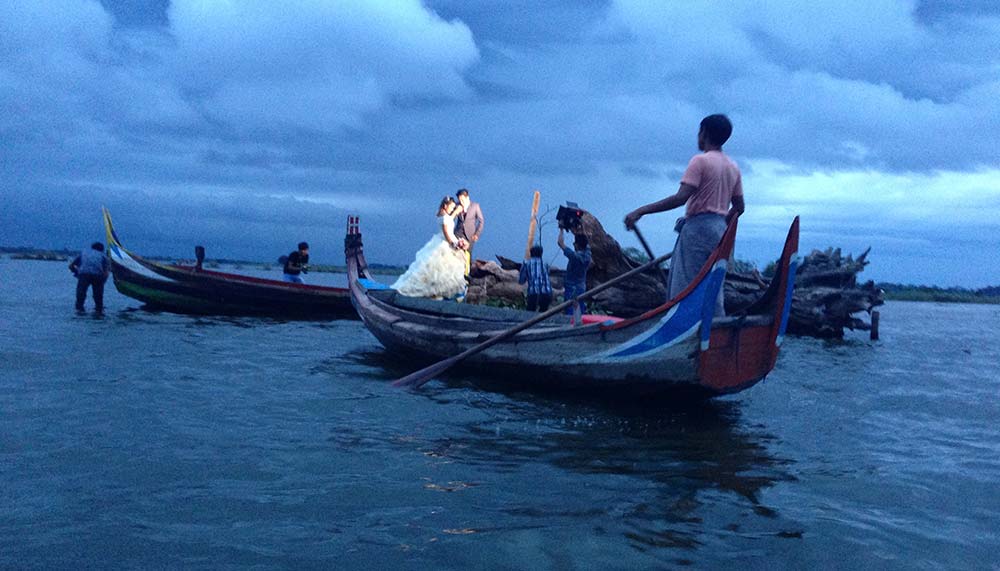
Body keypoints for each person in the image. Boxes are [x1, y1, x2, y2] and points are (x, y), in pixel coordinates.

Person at [624, 114, 745, 316]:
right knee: (713, 284)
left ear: (704, 132)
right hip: (721, 232)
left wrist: (641, 211)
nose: (698, 137)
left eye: (699, 132)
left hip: (698, 230)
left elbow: (681, 198)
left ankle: (685, 331)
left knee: (686, 284)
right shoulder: (733, 167)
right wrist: (721, 223)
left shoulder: (700, 161)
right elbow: (739, 207)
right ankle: (715, 328)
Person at [391, 196, 468, 299]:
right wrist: (455, 245)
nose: (452, 209)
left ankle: (440, 294)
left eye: (453, 208)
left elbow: (450, 221)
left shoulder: (445, 216)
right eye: (451, 207)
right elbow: (447, 234)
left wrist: (458, 242)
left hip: (446, 241)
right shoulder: (444, 218)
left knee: (445, 272)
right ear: (445, 206)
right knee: (438, 270)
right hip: (444, 244)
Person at [559, 229, 592, 322]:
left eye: (574, 243)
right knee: (580, 311)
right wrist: (580, 230)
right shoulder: (587, 255)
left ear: (577, 245)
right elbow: (587, 245)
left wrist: (561, 229)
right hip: (581, 287)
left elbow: (560, 243)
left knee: (571, 312)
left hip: (571, 288)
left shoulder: (574, 256)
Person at [69, 242, 110, 312]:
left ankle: (79, 310)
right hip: (97, 275)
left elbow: (71, 266)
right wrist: (103, 281)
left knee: (80, 295)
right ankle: (99, 310)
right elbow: (106, 271)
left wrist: (77, 272)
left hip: (84, 275)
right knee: (98, 296)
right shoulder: (103, 256)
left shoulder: (83, 253)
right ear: (102, 249)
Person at [453, 188, 485, 276]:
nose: (461, 202)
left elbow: (481, 221)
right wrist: (456, 211)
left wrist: (477, 234)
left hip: (470, 235)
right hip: (458, 233)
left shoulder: (475, 206)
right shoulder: (457, 205)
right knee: (456, 254)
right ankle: (456, 275)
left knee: (468, 255)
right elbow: (451, 218)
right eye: (459, 200)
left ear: (467, 197)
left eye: (462, 200)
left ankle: (467, 275)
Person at [518, 245, 553, 311]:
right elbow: (547, 274)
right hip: (547, 293)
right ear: (541, 254)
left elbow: (521, 281)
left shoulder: (526, 263)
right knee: (544, 315)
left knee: (530, 314)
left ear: (531, 254)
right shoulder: (545, 264)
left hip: (533, 293)